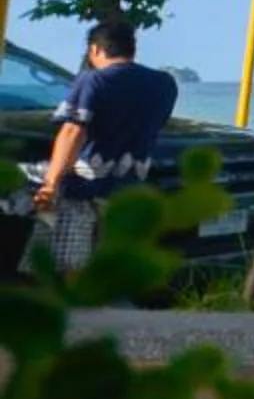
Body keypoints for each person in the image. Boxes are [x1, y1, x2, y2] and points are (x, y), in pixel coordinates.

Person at [25, 18, 179, 276]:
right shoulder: (164, 84)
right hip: (130, 184)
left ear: (95, 49)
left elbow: (73, 131)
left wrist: (51, 183)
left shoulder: (94, 80)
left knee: (67, 266)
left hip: (84, 184)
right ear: (132, 49)